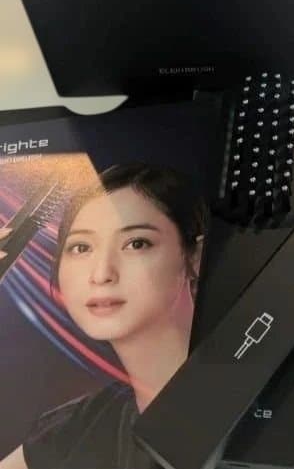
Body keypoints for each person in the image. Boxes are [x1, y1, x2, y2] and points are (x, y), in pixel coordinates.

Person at [0, 162, 209, 469]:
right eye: (81, 247)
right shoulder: (81, 428)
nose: (101, 274)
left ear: (196, 257)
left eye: (136, 243)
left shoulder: (246, 399)